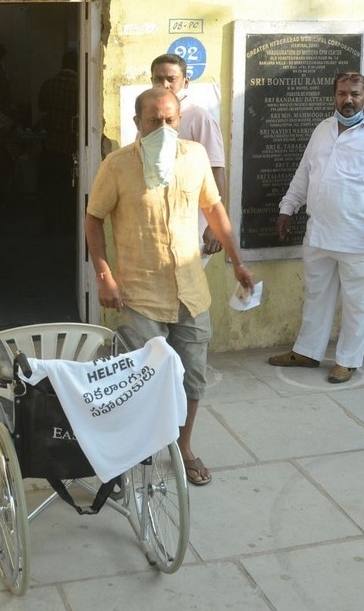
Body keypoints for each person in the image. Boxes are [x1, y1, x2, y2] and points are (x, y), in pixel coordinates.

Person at [85, 88, 255, 487]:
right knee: (142, 379)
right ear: (137, 123)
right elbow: (94, 218)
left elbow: (213, 208)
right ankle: (136, 449)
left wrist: (237, 261)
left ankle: (183, 447)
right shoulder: (117, 165)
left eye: (170, 119)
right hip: (140, 292)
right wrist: (104, 275)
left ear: (180, 119)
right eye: (153, 120)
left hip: (191, 290)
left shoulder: (194, 156)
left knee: (192, 378)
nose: (163, 127)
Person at [269, 71, 364, 383]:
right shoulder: (322, 130)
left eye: (355, 94)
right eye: (342, 94)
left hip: (363, 238)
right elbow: (304, 174)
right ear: (334, 95)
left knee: (358, 303)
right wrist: (287, 207)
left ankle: (347, 360)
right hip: (319, 233)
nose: (347, 100)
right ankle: (307, 351)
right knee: (316, 295)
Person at [151, 53, 227, 254]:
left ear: (186, 82)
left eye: (171, 79)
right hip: (158, 224)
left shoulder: (199, 118)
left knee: (187, 284)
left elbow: (216, 170)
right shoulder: (148, 117)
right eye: (158, 79)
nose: (164, 85)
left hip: (193, 227)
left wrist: (215, 226)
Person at [37, 50, 80, 234]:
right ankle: (67, 225)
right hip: (70, 146)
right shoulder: (79, 86)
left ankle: (49, 224)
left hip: (50, 144)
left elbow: (41, 107)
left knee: (50, 188)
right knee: (68, 191)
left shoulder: (49, 84)